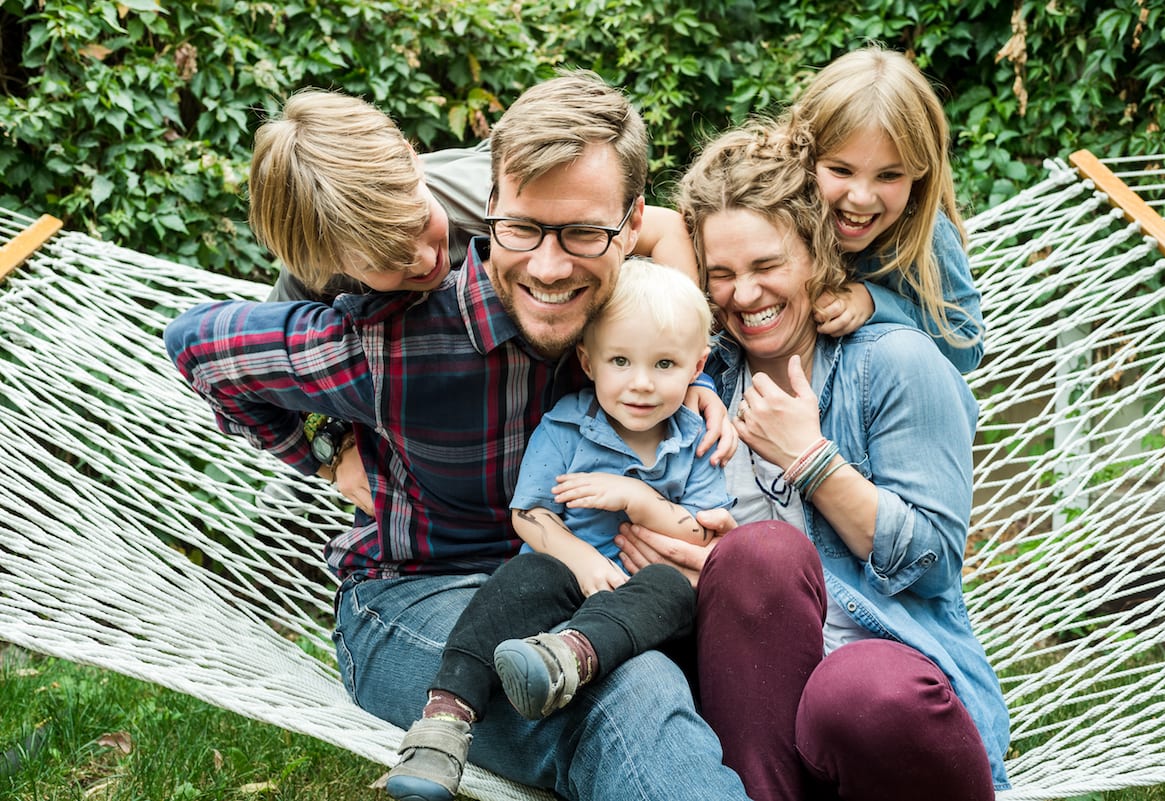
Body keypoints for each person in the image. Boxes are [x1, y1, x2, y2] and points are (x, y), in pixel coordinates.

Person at [165, 71, 750, 801]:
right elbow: (198, 346)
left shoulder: (633, 340)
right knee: (627, 693)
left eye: (583, 234)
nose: (548, 264)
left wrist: (700, 390)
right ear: (494, 208)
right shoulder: (389, 342)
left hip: (590, 589)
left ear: (629, 226)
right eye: (525, 229)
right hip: (418, 592)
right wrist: (319, 456)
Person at [616, 121, 1011, 800]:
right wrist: (716, 568)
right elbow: (621, 234)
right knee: (757, 558)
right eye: (723, 274)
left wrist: (813, 459)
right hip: (751, 721)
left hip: (882, 708)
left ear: (816, 251)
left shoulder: (895, 362)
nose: (744, 295)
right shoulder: (693, 380)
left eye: (767, 266)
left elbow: (934, 563)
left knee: (853, 690)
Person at [246, 87, 700, 508]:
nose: (425, 260)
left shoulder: (486, 194)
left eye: (419, 222)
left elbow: (664, 229)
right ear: (330, 264)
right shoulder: (312, 277)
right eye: (387, 260)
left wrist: (692, 372)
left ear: (413, 159)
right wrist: (331, 450)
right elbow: (267, 383)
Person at [382, 258, 733, 800]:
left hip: (641, 609)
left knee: (670, 587)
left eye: (665, 364)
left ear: (697, 366)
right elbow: (531, 515)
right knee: (528, 575)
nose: (641, 383)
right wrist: (582, 558)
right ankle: (444, 721)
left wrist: (639, 499)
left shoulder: (696, 439)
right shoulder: (569, 425)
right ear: (589, 362)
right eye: (621, 360)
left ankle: (567, 658)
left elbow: (702, 538)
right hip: (569, 580)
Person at [786, 45, 985, 373]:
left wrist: (875, 303)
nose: (862, 197)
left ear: (918, 175)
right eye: (841, 170)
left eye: (889, 175)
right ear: (806, 155)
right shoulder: (779, 213)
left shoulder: (928, 235)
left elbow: (967, 345)